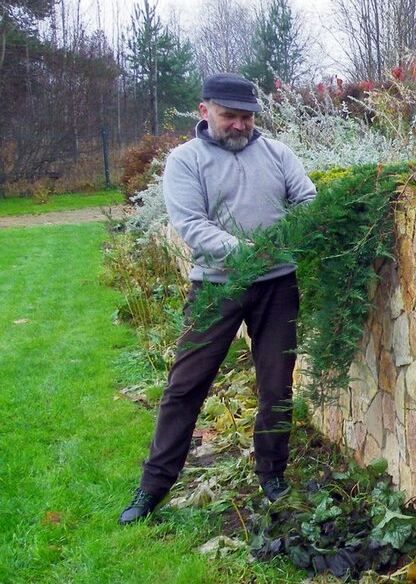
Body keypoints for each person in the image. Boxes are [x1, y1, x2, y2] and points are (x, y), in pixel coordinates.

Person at [119, 73, 317, 524]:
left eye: (246, 117)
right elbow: (191, 225)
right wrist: (247, 253)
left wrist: (289, 237)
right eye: (230, 116)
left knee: (276, 386)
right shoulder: (185, 161)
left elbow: (307, 200)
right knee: (185, 387)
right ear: (205, 111)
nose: (240, 125)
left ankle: (272, 473)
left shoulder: (278, 153)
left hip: (278, 286)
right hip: (216, 287)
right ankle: (152, 487)